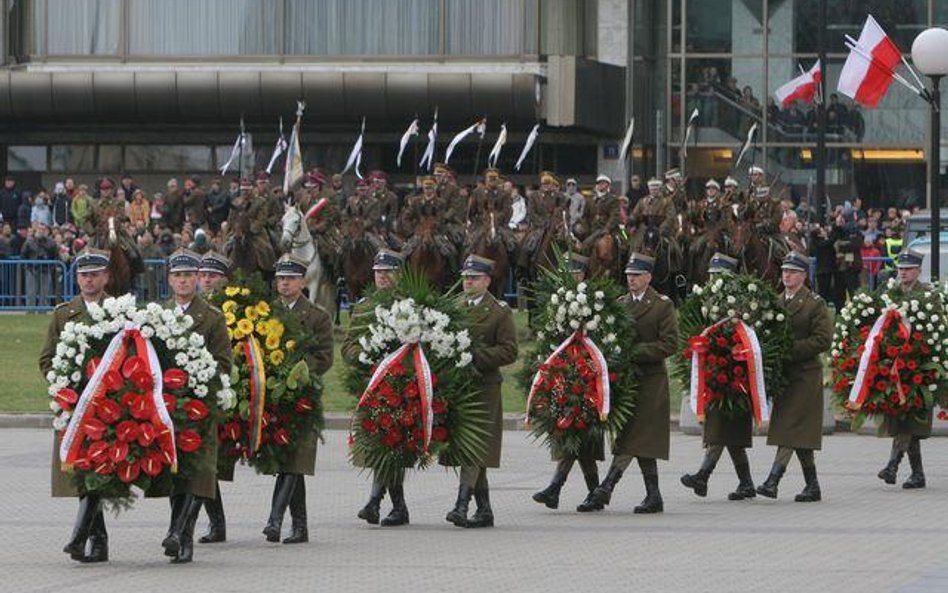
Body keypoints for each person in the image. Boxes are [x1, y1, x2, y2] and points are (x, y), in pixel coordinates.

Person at [578, 253, 678, 514]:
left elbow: (669, 344)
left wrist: (634, 351)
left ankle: (606, 488)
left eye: (636, 275)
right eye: (628, 276)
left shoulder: (662, 306)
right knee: (637, 438)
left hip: (651, 383)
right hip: (625, 382)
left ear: (648, 277)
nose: (631, 280)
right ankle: (654, 496)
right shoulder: (621, 304)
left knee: (634, 436)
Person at [39, 248, 113, 563]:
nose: (89, 280)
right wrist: (64, 383)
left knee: (97, 469)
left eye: (95, 274)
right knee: (82, 470)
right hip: (75, 405)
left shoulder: (118, 311)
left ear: (106, 277)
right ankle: (95, 540)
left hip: (110, 405)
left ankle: (85, 538)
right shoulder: (63, 313)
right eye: (84, 274)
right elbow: (46, 359)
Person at [159, 248, 231, 563]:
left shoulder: (212, 317)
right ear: (169, 280)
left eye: (189, 275)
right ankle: (179, 534)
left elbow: (224, 363)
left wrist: (200, 380)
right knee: (176, 472)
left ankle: (179, 534)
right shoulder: (156, 315)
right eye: (178, 275)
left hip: (199, 405)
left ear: (196, 279)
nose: (184, 280)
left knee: (198, 470)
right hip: (167, 407)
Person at [263, 253, 334, 543]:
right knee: (290, 462)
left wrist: (299, 371)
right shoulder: (267, 313)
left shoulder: (318, 316)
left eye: (290, 279)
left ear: (302, 281)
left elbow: (325, 357)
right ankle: (300, 526)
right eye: (280, 278)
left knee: (296, 458)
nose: (285, 284)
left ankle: (275, 520)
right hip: (274, 396)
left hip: (304, 396)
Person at [445, 255, 518, 528]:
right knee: (471, 446)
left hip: (485, 387)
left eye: (474, 278)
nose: (468, 282)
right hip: (460, 387)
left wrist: (476, 356)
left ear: (487, 281)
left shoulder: (499, 312)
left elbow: (510, 350)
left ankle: (461, 504)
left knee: (474, 447)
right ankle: (484, 509)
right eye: (465, 277)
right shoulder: (454, 307)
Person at [680, 253, 757, 501]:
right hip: (713, 373)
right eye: (711, 275)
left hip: (735, 376)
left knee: (725, 430)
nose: (713, 280)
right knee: (726, 433)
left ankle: (703, 476)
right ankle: (745, 483)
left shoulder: (740, 303)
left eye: (718, 276)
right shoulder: (706, 301)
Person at [344, 249, 413, 526]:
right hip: (371, 385)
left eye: (388, 271)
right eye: (378, 271)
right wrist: (362, 355)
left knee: (391, 444)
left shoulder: (409, 305)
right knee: (380, 444)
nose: (382, 276)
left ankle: (376, 502)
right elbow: (348, 345)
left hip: (400, 386)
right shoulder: (363, 306)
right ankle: (395, 506)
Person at [756, 251, 832, 502]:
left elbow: (823, 339)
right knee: (799, 431)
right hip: (784, 377)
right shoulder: (776, 302)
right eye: (784, 271)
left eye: (792, 272)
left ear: (803, 276)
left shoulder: (814, 304)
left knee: (789, 426)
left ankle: (773, 480)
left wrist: (790, 350)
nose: (786, 275)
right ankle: (813, 485)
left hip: (805, 375)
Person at [532, 253, 603, 511]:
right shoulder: (558, 298)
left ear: (583, 274)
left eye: (575, 272)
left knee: (578, 434)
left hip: (586, 377)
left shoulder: (595, 301)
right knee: (575, 437)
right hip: (563, 376)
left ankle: (555, 487)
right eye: (567, 271)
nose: (570, 276)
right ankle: (595, 493)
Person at [876, 249, 939, 489]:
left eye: (908, 269)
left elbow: (935, 329)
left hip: (918, 366)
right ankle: (917, 473)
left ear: (918, 271)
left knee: (911, 417)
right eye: (901, 269)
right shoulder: (890, 293)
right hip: (894, 366)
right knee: (902, 417)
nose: (903, 273)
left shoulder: (928, 295)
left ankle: (893, 464)